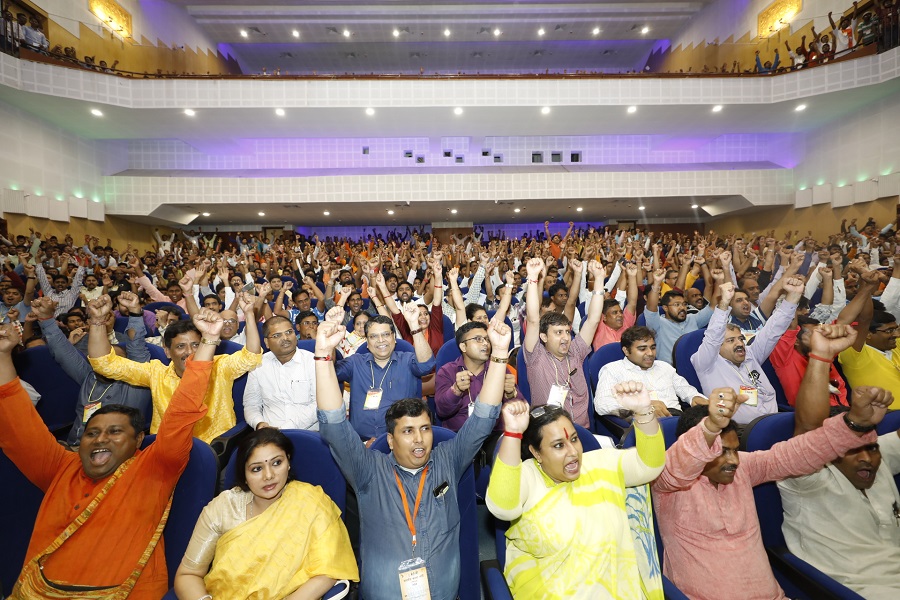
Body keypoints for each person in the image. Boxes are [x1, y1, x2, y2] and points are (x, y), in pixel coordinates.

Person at [0, 310, 220, 599]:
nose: (100, 439)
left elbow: (182, 411)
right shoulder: (61, 467)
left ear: (139, 440)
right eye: (92, 433)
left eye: (115, 432)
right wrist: (4, 355)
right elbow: (17, 422)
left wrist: (210, 339)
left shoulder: (153, 469)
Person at [314, 315, 511, 600]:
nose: (419, 439)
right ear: (390, 441)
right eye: (407, 431)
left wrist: (501, 353)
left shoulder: (448, 460)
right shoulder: (368, 471)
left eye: (425, 429)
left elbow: (484, 417)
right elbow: (333, 424)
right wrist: (322, 355)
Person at [651, 381, 891, 600]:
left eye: (735, 450)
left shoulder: (743, 468)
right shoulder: (667, 481)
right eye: (721, 450)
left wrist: (855, 424)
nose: (734, 460)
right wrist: (711, 425)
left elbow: (795, 454)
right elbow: (679, 465)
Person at [486, 381, 665, 598]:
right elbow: (503, 508)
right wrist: (513, 434)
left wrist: (643, 411)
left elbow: (649, 466)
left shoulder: (600, 463)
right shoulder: (527, 475)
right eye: (559, 445)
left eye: (574, 439)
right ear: (536, 453)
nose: (573, 452)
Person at [778, 322, 900, 599]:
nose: (867, 458)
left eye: (873, 448)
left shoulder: (876, 455)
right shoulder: (807, 478)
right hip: (857, 590)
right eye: (852, 450)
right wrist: (821, 356)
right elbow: (809, 435)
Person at [174, 428, 358, 599]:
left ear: (288, 462)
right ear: (244, 474)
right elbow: (188, 574)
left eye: (277, 463)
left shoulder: (311, 501)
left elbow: (329, 569)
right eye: (256, 468)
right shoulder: (223, 508)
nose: (268, 475)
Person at [88, 291, 262, 443]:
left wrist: (248, 314)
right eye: (180, 346)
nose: (189, 352)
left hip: (214, 449)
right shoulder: (156, 372)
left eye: (195, 345)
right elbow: (104, 363)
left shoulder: (220, 366)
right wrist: (97, 321)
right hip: (166, 452)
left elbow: (251, 356)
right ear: (167, 351)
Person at [31, 294, 152, 445]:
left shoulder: (136, 383)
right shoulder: (89, 376)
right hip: (74, 449)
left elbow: (137, 346)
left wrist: (134, 311)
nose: (104, 361)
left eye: (113, 359)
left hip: (116, 453)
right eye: (101, 357)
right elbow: (62, 352)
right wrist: (46, 319)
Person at [691, 279, 802, 423]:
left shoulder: (750, 354)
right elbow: (712, 337)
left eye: (740, 339)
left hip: (773, 421)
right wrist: (724, 302)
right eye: (731, 341)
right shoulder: (706, 363)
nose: (739, 344)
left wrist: (793, 297)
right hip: (740, 432)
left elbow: (773, 330)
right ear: (718, 346)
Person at [523, 257, 606, 428]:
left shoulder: (576, 351)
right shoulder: (536, 356)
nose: (566, 337)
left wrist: (598, 280)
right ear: (544, 337)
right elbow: (532, 319)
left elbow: (593, 320)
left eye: (567, 332)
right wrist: (532, 278)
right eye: (558, 333)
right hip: (549, 431)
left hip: (581, 429)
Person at [333, 305, 434, 442]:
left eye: (386, 335)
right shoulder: (355, 362)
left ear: (394, 338)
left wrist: (414, 326)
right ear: (367, 342)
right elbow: (329, 371)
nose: (381, 340)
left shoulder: (408, 360)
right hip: (360, 443)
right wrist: (330, 338)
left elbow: (426, 365)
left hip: (403, 442)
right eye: (374, 336)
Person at [595, 326, 706, 418]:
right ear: (626, 351)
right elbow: (602, 404)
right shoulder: (612, 370)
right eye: (642, 349)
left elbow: (686, 390)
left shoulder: (664, 367)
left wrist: (695, 397)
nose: (650, 353)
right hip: (643, 424)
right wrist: (641, 406)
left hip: (677, 420)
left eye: (652, 348)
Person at [435, 320, 525, 432]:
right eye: (478, 339)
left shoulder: (499, 369)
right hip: (459, 437)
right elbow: (442, 410)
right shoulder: (448, 371)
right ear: (463, 347)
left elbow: (521, 409)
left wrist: (511, 393)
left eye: (487, 339)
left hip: (493, 435)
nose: (485, 343)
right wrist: (456, 390)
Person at [244, 315, 317, 431]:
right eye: (277, 335)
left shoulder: (313, 362)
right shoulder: (258, 364)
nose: (285, 338)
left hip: (308, 433)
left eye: (289, 332)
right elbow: (251, 404)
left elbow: (319, 404)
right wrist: (259, 423)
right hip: (269, 436)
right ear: (267, 342)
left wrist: (284, 429)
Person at [643, 267, 714, 365]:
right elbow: (651, 308)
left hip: (696, 367)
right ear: (665, 308)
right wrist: (656, 283)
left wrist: (719, 280)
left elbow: (713, 307)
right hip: (670, 372)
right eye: (677, 305)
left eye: (684, 304)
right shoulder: (657, 323)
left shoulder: (692, 319)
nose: (682, 308)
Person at [591, 262, 639, 350]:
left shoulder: (626, 324)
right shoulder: (599, 327)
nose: (620, 315)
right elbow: (595, 309)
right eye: (614, 313)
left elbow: (632, 302)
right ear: (604, 317)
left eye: (620, 312)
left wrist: (632, 276)